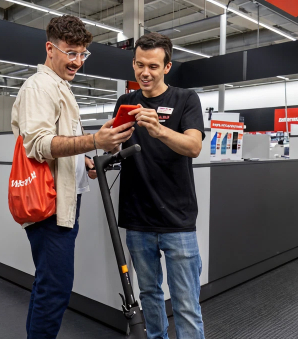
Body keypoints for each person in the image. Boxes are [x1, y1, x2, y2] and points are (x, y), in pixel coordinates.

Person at [11, 15, 134, 339]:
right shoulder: (40, 87)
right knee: (55, 289)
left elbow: (61, 141)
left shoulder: (59, 87)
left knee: (50, 284)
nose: (78, 61)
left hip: (63, 201)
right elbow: (37, 145)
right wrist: (94, 141)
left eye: (83, 54)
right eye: (71, 52)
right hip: (49, 205)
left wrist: (85, 162)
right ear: (50, 49)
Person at [114, 32, 206, 339]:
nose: (145, 72)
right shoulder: (125, 102)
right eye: (140, 65)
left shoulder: (185, 99)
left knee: (186, 305)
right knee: (150, 297)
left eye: (153, 66)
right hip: (138, 219)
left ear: (167, 66)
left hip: (178, 221)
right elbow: (116, 149)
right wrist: (101, 159)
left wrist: (160, 131)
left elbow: (193, 146)